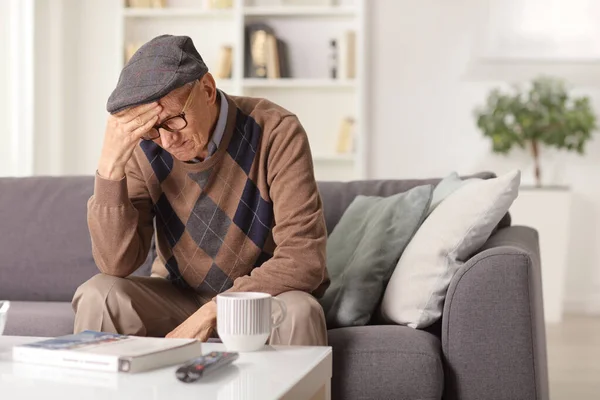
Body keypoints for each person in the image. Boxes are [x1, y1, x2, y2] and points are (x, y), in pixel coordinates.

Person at [72, 34, 329, 346]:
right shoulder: (144, 147)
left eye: (174, 121)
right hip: (177, 297)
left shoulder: (275, 130)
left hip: (258, 301)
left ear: (207, 89)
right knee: (99, 293)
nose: (166, 141)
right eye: (152, 128)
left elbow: (304, 259)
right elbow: (116, 264)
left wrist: (216, 310)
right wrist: (110, 168)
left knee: (300, 311)